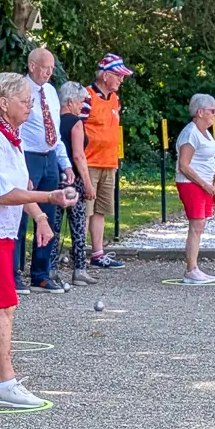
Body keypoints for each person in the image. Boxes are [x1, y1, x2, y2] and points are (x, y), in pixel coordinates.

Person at [0, 73, 78, 407]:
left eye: (31, 101)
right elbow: (0, 193)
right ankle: (6, 382)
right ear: (4, 103)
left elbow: (20, 185)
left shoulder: (10, 136)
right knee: (3, 304)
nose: (31, 107)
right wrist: (49, 198)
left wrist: (40, 217)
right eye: (25, 101)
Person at [15, 46, 79, 293]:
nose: (49, 72)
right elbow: (16, 129)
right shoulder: (19, 89)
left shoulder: (50, 92)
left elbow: (54, 131)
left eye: (52, 68)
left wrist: (65, 163)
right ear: (32, 66)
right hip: (28, 155)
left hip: (49, 156)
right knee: (20, 215)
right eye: (45, 67)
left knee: (49, 215)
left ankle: (41, 274)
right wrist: (21, 166)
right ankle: (13, 273)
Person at [84, 54, 132, 270]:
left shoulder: (115, 99)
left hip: (108, 163)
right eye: (118, 75)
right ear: (105, 76)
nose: (121, 80)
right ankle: (78, 254)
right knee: (85, 210)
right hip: (89, 162)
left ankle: (97, 254)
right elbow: (77, 127)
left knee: (100, 210)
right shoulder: (86, 96)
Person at [174, 94, 215, 284]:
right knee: (196, 225)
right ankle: (191, 269)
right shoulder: (190, 133)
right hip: (191, 184)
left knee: (200, 225)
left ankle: (194, 267)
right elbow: (184, 165)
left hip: (203, 184)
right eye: (213, 110)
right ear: (201, 112)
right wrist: (204, 184)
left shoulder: (204, 132)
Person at [57, 81, 93, 281]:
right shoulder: (76, 122)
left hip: (56, 177)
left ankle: (49, 268)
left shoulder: (53, 121)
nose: (82, 106)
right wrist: (87, 183)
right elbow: (78, 155)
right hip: (73, 179)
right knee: (78, 224)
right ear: (70, 101)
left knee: (53, 224)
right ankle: (79, 269)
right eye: (80, 101)